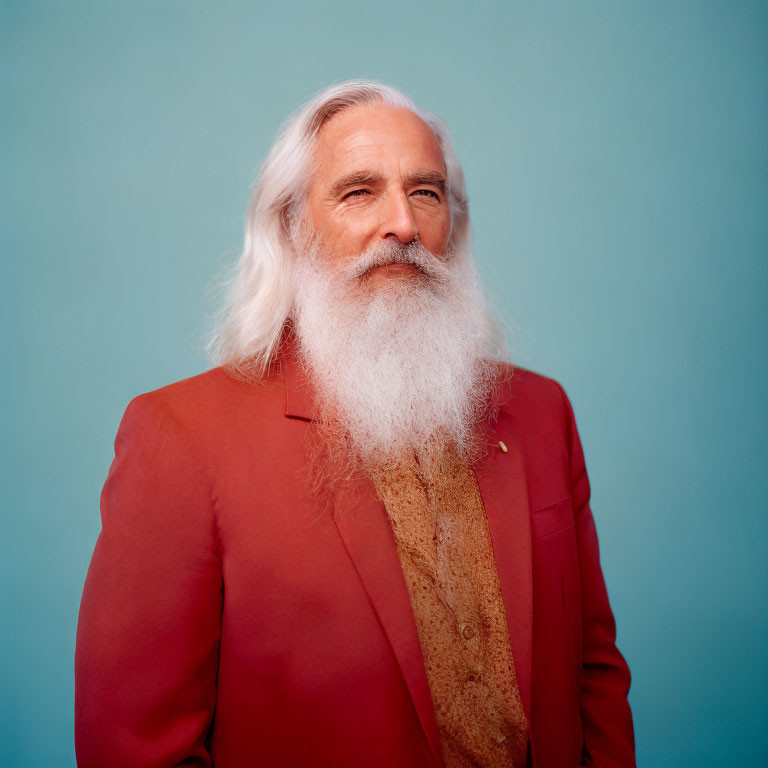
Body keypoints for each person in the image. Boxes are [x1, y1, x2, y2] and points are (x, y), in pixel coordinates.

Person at [75, 80, 636, 768]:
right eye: (359, 192)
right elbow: (133, 747)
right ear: (291, 228)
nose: (401, 223)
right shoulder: (182, 435)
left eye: (425, 192)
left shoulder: (543, 413)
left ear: (451, 224)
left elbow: (594, 673)